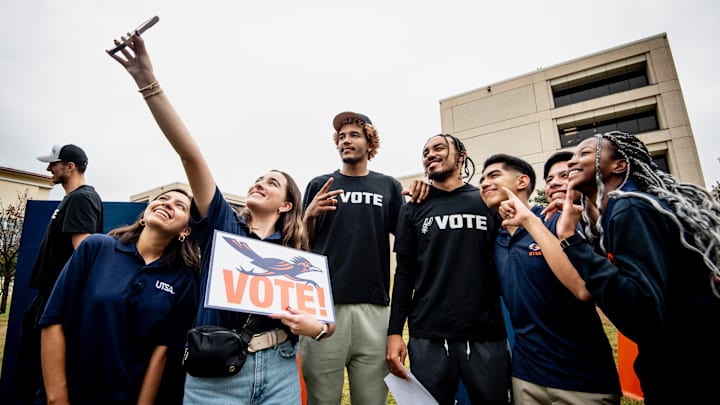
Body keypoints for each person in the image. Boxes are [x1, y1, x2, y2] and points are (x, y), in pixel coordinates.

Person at [109, 33, 335, 404]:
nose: (260, 183)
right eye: (258, 179)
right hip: (216, 370)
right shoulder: (222, 227)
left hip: (280, 370)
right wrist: (148, 83)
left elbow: (325, 321)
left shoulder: (297, 255)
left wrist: (318, 329)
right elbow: (190, 155)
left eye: (272, 183)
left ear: (286, 206)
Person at [550, 131, 720, 404]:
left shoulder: (629, 208)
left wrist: (570, 240)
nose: (571, 162)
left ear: (619, 164)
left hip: (689, 369)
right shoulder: (622, 209)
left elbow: (641, 312)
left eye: (584, 153)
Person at [479, 153, 621, 404]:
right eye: (481, 180)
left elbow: (584, 289)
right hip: (526, 376)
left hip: (582, 379)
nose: (483, 183)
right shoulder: (495, 238)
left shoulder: (558, 219)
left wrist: (529, 221)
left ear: (522, 181)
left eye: (493, 175)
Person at [38, 189, 200, 404]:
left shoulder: (184, 280)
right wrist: (57, 398)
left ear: (186, 230)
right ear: (145, 214)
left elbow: (161, 352)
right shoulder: (96, 247)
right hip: (69, 395)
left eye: (180, 205)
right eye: (162, 199)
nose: (167, 204)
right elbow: (53, 320)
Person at [386, 134, 511, 405]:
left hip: (486, 334)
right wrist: (394, 332)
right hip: (428, 335)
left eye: (439, 148)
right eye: (425, 151)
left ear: (461, 156)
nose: (430, 154)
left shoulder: (487, 202)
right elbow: (405, 274)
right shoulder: (412, 209)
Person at [299, 112, 405, 405]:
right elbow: (301, 249)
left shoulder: (389, 187)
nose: (346, 140)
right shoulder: (320, 184)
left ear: (370, 143)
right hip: (323, 308)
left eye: (354, 135)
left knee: (371, 400)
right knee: (322, 399)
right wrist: (308, 216)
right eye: (342, 136)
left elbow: (408, 243)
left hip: (375, 308)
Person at [15, 144, 104, 405]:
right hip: (48, 296)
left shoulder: (82, 198)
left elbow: (84, 252)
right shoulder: (74, 198)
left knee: (40, 374)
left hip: (57, 299)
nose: (48, 168)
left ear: (70, 166)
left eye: (53, 163)